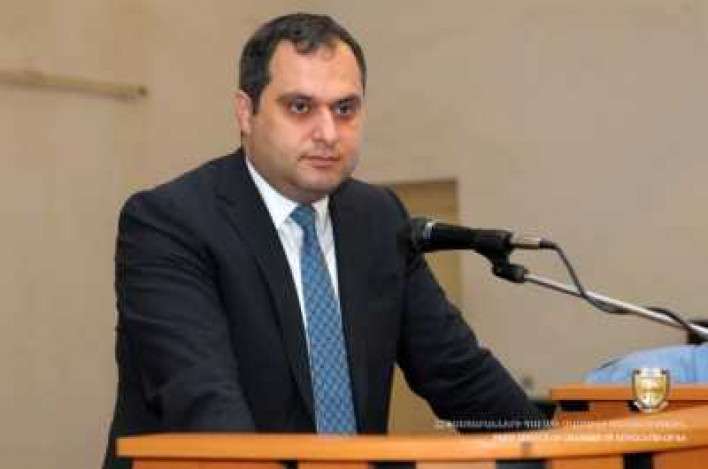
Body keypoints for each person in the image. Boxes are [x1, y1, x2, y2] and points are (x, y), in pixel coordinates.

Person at [103, 13, 543, 469]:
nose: (328, 133)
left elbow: (459, 374)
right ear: (245, 112)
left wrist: (549, 453)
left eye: (344, 109)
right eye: (300, 107)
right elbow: (205, 403)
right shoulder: (170, 223)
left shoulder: (379, 219)